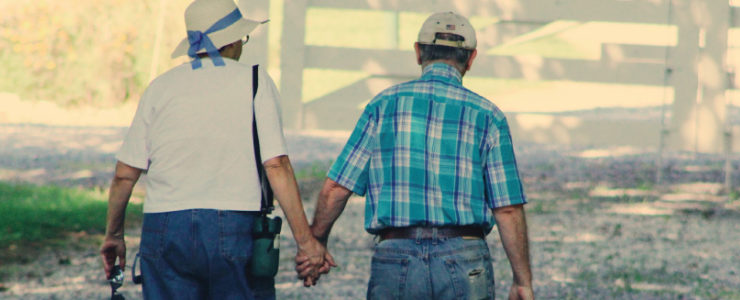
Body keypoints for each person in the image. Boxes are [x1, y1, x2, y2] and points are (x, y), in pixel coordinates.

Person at [297, 11, 534, 300]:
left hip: (396, 255)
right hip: (464, 258)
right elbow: (507, 208)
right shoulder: (489, 116)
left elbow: (336, 188)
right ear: (471, 59)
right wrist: (522, 281)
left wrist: (316, 241)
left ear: (418, 52)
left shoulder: (383, 106)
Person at [100, 0, 329, 298]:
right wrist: (307, 243)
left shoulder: (160, 87)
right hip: (234, 223)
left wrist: (114, 235)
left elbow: (124, 175)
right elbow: (276, 165)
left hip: (165, 226)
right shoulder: (255, 82)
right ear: (233, 41)